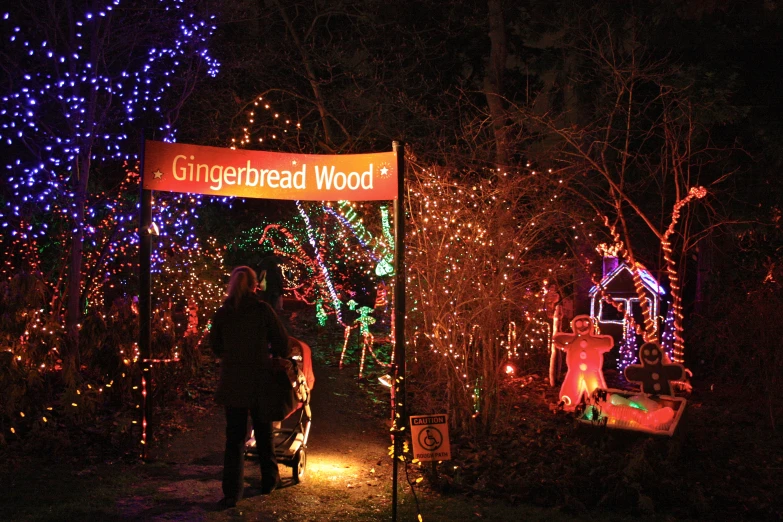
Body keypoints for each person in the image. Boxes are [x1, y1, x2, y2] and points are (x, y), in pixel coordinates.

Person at [209, 266, 291, 508]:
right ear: (255, 285)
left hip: (233, 380)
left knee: (234, 437)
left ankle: (232, 492)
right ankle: (269, 480)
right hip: (259, 378)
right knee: (263, 430)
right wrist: (274, 355)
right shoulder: (262, 310)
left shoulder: (224, 313)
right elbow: (282, 342)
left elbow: (215, 345)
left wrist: (230, 354)